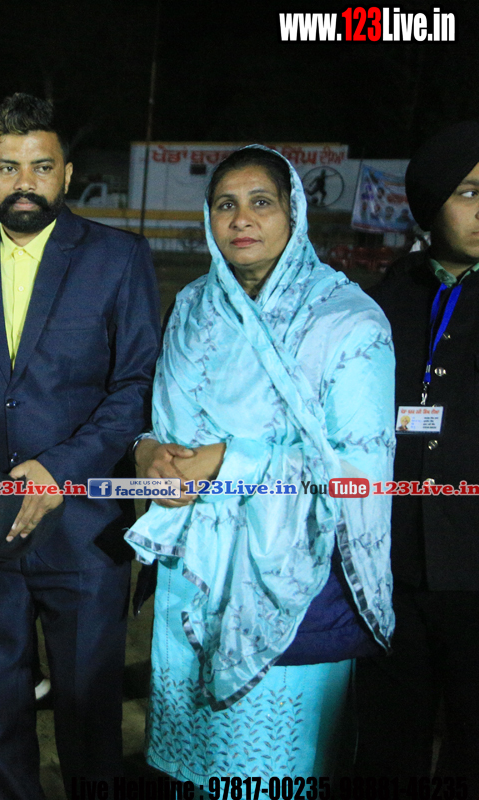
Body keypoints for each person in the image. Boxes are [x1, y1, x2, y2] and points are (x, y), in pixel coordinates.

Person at [0, 93, 161, 792]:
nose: (25, 182)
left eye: (41, 167)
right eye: (8, 167)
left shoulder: (117, 257)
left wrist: (58, 469)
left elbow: (136, 385)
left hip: (84, 534)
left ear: (67, 174)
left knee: (89, 723)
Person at [128, 146, 395, 781]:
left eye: (261, 203)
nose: (241, 219)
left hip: (293, 581)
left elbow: (360, 473)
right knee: (197, 772)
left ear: (293, 213)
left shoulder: (347, 320)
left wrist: (229, 461)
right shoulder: (193, 307)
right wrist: (147, 452)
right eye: (226, 205)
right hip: (194, 575)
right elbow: (165, 427)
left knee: (271, 774)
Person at [355, 120, 479, 782]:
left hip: (473, 569)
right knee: (386, 743)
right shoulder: (381, 301)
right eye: (469, 192)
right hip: (392, 565)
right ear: (432, 204)